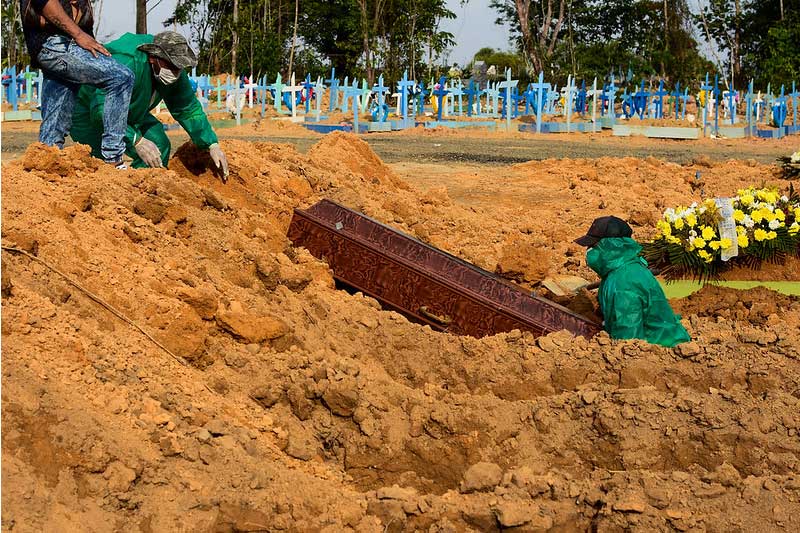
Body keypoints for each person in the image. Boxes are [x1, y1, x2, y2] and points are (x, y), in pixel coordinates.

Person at [70, 31, 229, 179]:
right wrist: (136, 140)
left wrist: (211, 144)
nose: (176, 72)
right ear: (153, 58)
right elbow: (102, 109)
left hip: (133, 111)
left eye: (179, 67)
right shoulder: (128, 62)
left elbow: (188, 108)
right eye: (172, 66)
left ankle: (141, 189)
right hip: (89, 111)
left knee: (158, 144)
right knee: (101, 161)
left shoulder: (173, 71)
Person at [20, 0, 134, 168]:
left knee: (55, 123)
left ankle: (44, 165)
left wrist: (89, 44)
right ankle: (113, 158)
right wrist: (79, 35)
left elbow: (85, 29)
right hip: (55, 45)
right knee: (121, 77)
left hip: (64, 47)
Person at [575, 216, 690, 347]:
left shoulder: (624, 283)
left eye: (593, 246)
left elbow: (628, 338)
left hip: (660, 348)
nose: (589, 251)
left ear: (611, 246)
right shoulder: (623, 270)